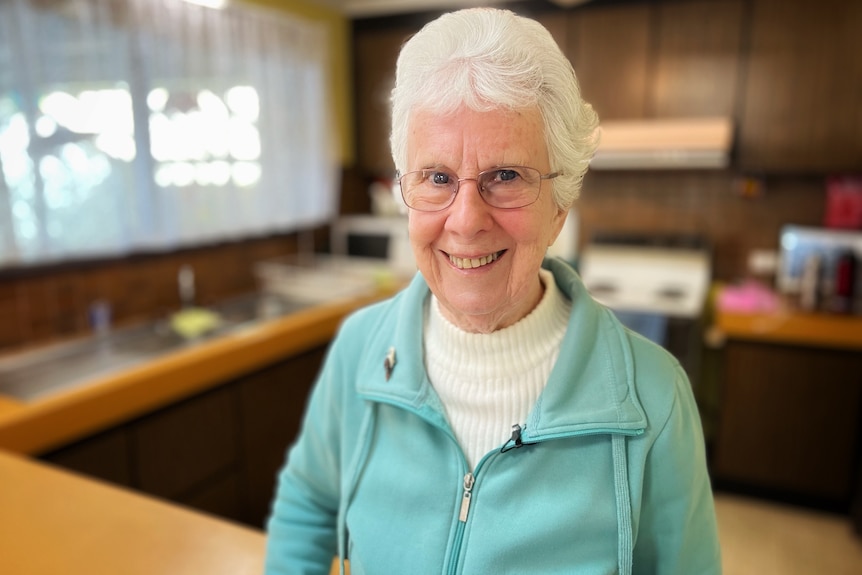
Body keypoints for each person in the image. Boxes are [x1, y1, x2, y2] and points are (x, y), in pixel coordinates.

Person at [264, 7, 721, 575]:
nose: (464, 221)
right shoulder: (360, 351)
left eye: (505, 175)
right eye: (436, 178)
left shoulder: (654, 400)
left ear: (561, 204)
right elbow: (307, 508)